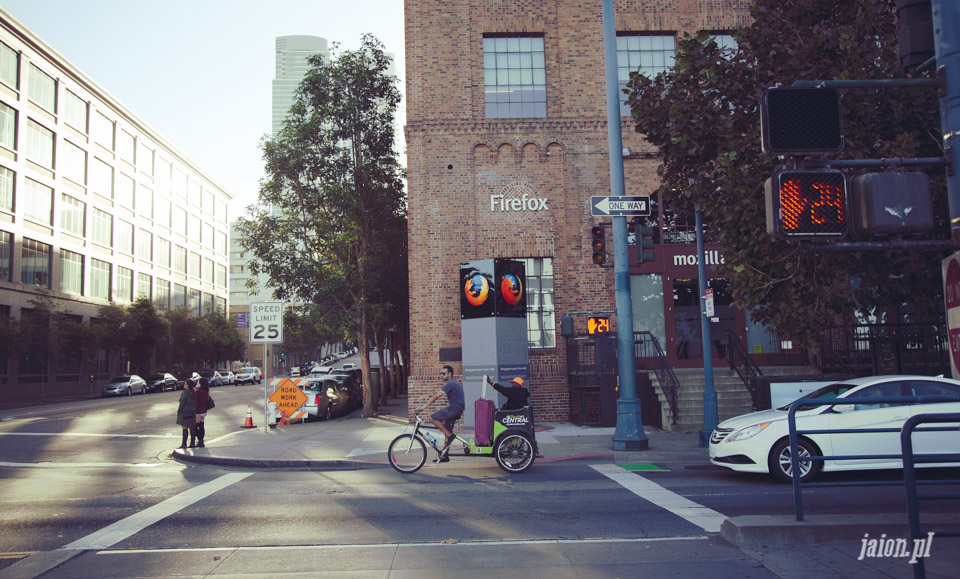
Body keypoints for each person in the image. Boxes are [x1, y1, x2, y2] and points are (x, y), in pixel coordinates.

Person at [417, 365, 464, 461]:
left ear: (449, 374)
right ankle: (444, 455)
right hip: (457, 408)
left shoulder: (450, 383)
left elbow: (436, 396)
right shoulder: (453, 382)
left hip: (455, 409)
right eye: (441, 373)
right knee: (446, 430)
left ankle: (450, 436)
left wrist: (423, 408)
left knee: (432, 418)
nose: (441, 375)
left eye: (443, 373)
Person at [177, 378, 199, 449]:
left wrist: (179, 410)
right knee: (192, 428)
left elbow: (182, 403)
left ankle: (184, 444)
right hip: (193, 412)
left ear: (187, 385)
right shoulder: (194, 392)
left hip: (185, 412)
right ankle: (192, 443)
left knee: (184, 428)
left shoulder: (185, 393)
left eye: (185, 384)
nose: (184, 385)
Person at [195, 377, 211, 448]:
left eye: (198, 382)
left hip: (198, 410)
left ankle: (200, 440)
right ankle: (201, 440)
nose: (197, 384)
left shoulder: (198, 392)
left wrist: (195, 389)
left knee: (195, 426)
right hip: (204, 410)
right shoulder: (206, 391)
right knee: (201, 426)